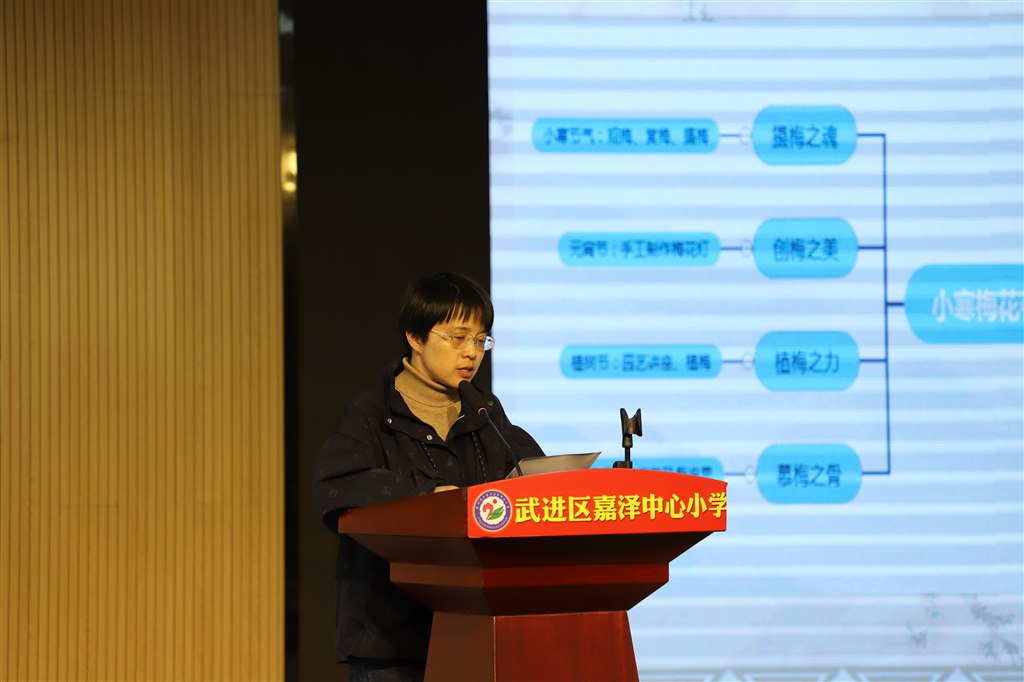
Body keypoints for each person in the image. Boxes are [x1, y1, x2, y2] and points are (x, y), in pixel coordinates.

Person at [313, 272, 545, 682]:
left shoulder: (485, 411)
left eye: (480, 340)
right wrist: (430, 498)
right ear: (415, 337)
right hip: (393, 642)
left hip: (477, 628)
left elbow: (530, 478)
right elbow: (339, 487)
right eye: (457, 338)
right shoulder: (371, 413)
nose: (471, 353)